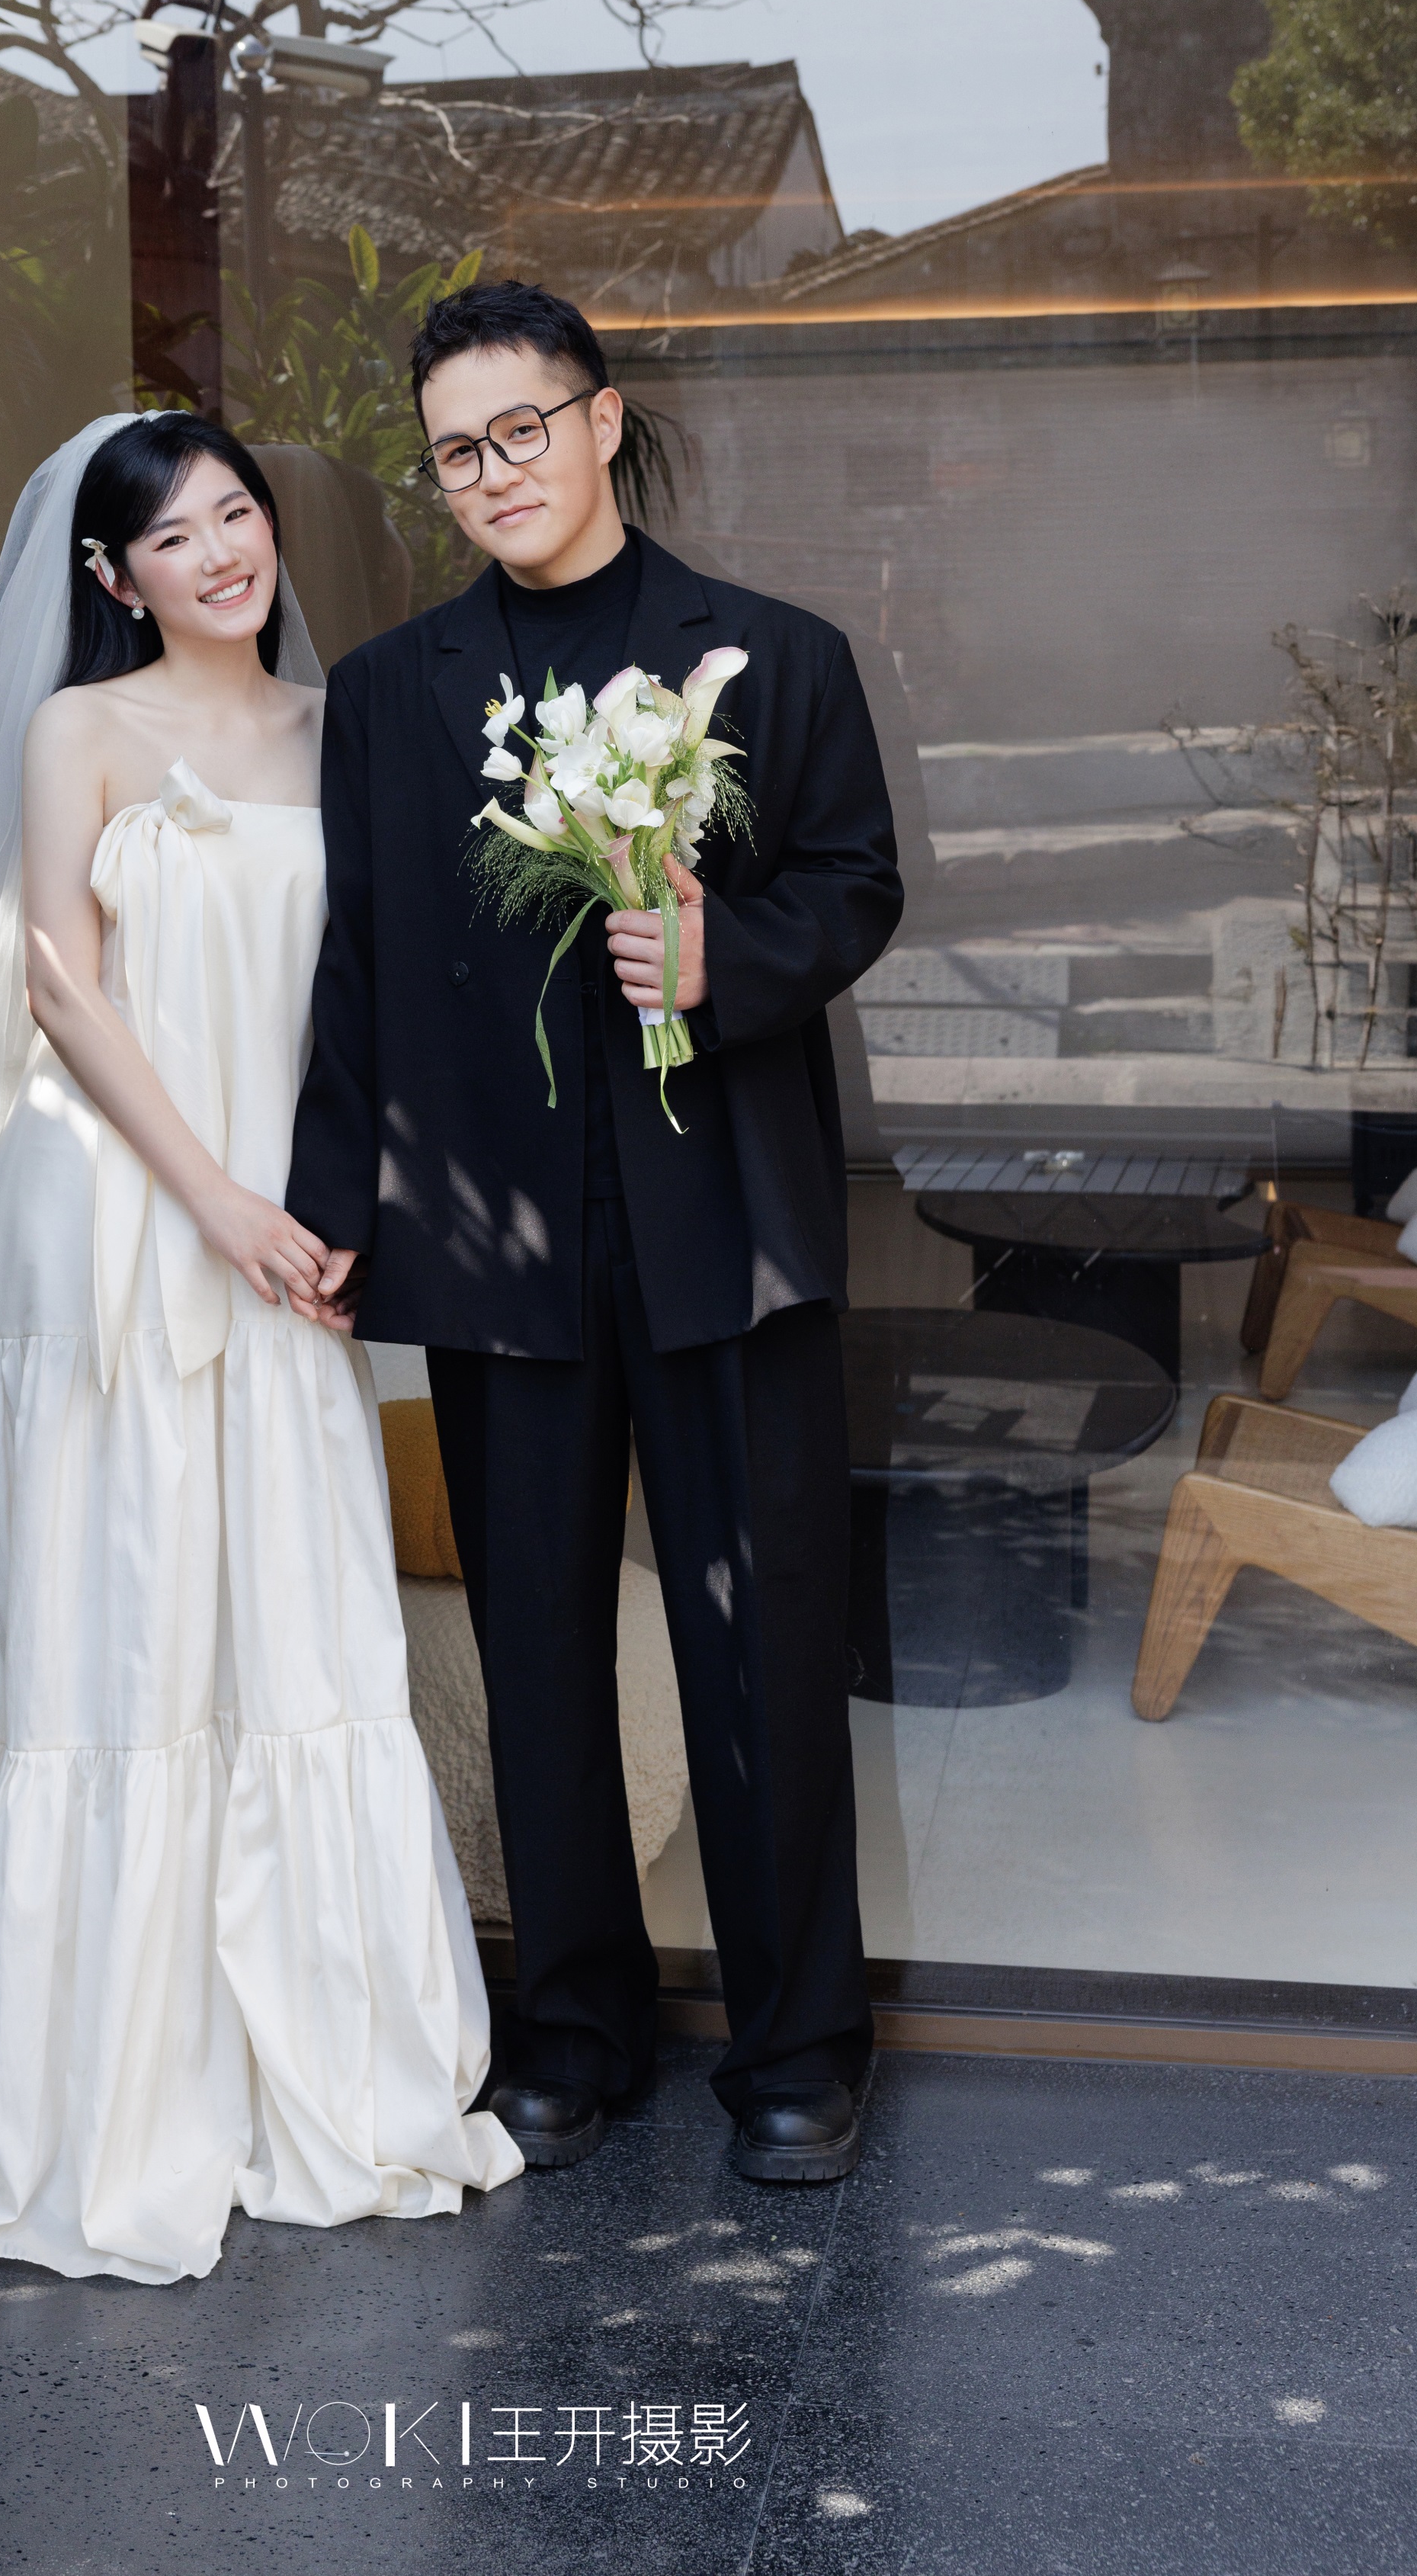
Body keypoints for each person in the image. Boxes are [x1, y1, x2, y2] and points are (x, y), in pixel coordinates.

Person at [0, 410, 521, 2281]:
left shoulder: (347, 728)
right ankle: (87, 2078)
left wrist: (342, 1203)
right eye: (174, 535)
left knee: (285, 1612)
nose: (220, 552)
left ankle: (301, 2058)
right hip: (123, 1207)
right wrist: (216, 1204)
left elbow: (391, 994)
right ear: (112, 577)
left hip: (293, 1214)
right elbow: (60, 985)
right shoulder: (79, 732)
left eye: (236, 514)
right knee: (107, 1620)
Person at [287, 283, 904, 2184]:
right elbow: (359, 965)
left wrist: (726, 958)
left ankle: (799, 2051)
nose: (493, 474)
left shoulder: (774, 658)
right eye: (455, 452)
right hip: (496, 1239)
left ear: (602, 419)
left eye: (521, 430)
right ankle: (571, 2030)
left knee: (761, 1643)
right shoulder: (389, 693)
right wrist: (333, 1209)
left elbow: (857, 886)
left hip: (730, 1226)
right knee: (537, 1649)